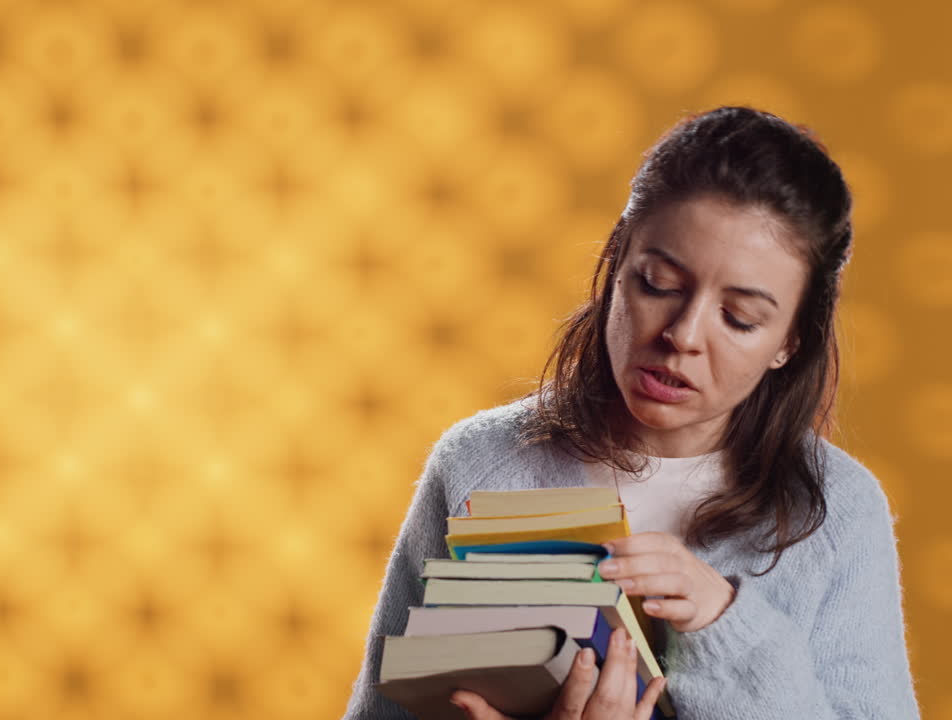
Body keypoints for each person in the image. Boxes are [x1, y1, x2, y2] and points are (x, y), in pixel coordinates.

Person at [342, 107, 921, 720]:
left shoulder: (835, 512)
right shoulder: (481, 466)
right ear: (616, 268)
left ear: (789, 342)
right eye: (658, 283)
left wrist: (722, 621)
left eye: (740, 318)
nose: (684, 334)